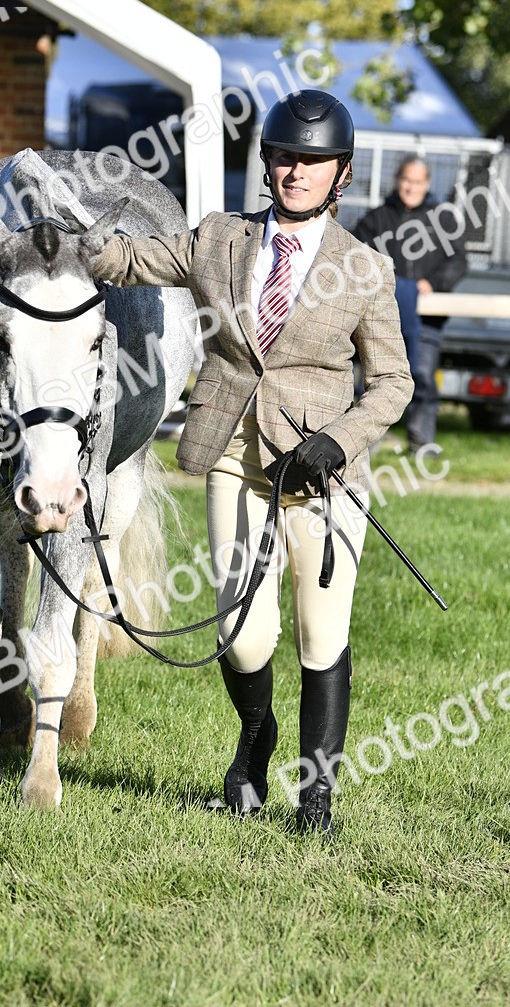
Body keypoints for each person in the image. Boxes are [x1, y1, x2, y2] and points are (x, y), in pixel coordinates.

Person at [88, 89, 413, 837]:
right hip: (233, 451)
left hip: (322, 471)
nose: (297, 173)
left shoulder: (365, 268)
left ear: (342, 174)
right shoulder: (218, 239)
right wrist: (66, 243)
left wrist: (340, 439)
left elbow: (394, 381)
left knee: (319, 633)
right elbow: (132, 259)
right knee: (242, 634)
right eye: (286, 159)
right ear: (267, 164)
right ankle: (256, 739)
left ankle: (316, 802)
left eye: (314, 162)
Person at [352, 158, 467, 454]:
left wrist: (433, 282)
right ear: (397, 180)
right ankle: (364, 445)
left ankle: (421, 443)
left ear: (427, 184)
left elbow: (458, 262)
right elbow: (356, 259)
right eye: (406, 180)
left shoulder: (443, 220)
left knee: (423, 378)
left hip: (426, 319)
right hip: (379, 320)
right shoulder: (375, 219)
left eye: (417, 182)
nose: (411, 187)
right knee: (373, 381)